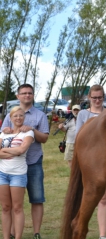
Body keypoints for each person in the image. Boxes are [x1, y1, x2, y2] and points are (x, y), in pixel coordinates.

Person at [0, 84, 49, 239]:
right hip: (10, 164)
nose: (27, 95)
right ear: (18, 95)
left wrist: (32, 130)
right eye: (24, 93)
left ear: (33, 95)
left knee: (36, 198)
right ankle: (13, 233)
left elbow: (45, 138)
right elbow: (5, 137)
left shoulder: (40, 115)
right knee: (12, 204)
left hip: (33, 161)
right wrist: (5, 131)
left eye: (30, 93)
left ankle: (36, 233)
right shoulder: (10, 115)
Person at [75, 85, 106, 239]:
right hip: (89, 159)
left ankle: (102, 235)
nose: (97, 100)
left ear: (103, 97)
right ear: (89, 98)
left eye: (100, 97)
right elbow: (78, 137)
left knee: (103, 197)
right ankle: (80, 226)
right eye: (94, 97)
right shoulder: (83, 114)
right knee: (86, 195)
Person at [0, 106, 34, 239]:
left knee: (17, 208)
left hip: (18, 175)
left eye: (21, 115)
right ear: (10, 118)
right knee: (5, 207)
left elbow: (22, 150)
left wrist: (4, 151)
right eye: (15, 116)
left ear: (24, 117)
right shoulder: (3, 133)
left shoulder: (28, 133)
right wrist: (13, 151)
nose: (18, 118)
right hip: (2, 173)